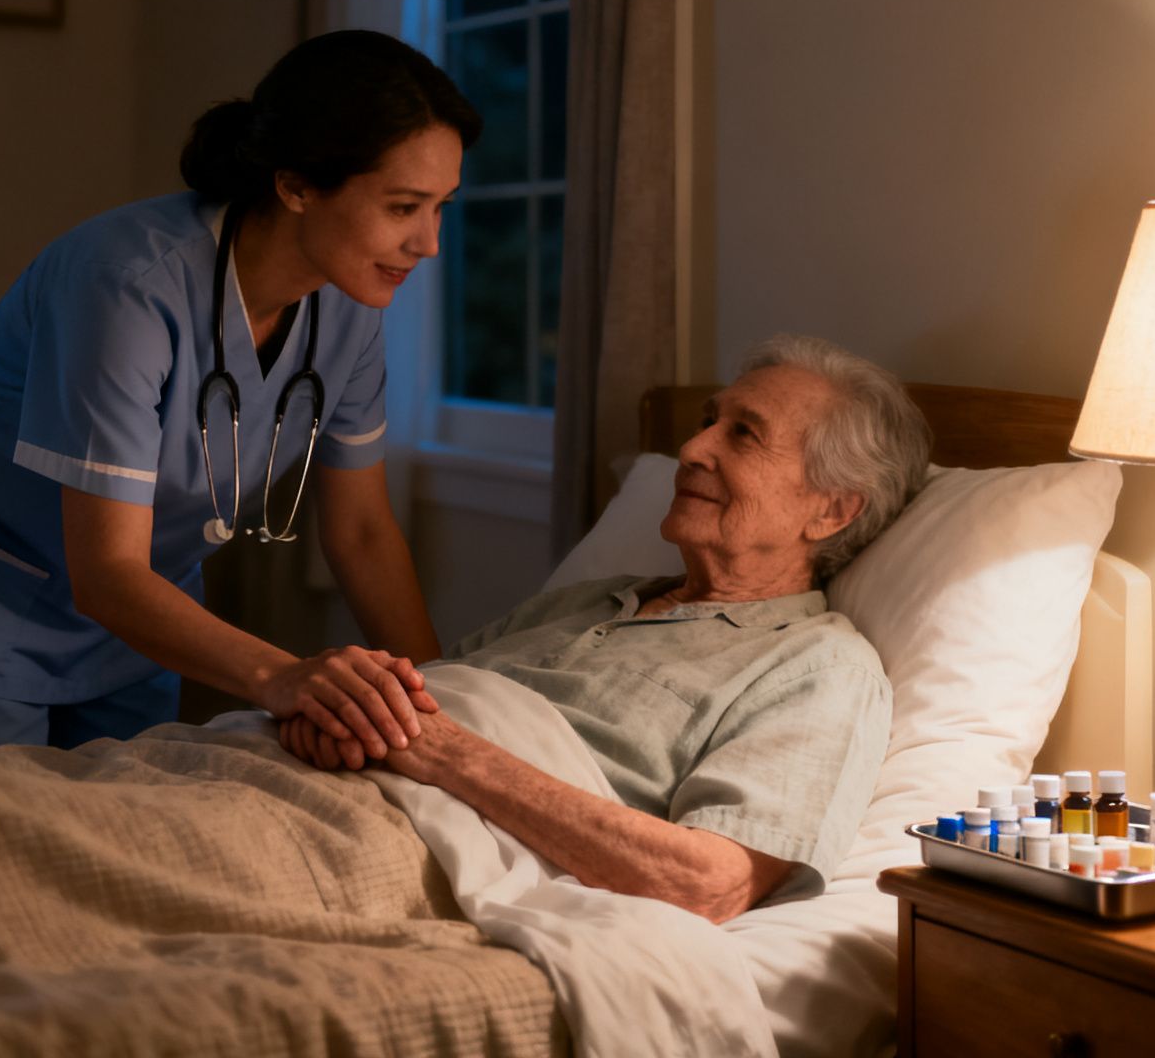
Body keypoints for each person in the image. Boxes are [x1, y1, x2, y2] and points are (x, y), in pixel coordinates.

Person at [0, 31, 480, 752]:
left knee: (115, 842)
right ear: (295, 185)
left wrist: (447, 707)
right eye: (403, 207)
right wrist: (285, 676)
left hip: (138, 615)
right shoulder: (124, 286)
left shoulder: (351, 304)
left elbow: (360, 532)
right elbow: (105, 572)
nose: (430, 243)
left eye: (442, 206)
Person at [281, 335, 935, 921]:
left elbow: (707, 884)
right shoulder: (581, 603)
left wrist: (437, 749)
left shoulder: (819, 667)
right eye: (710, 420)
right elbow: (418, 704)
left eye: (743, 435)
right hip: (287, 781)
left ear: (831, 510)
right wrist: (344, 715)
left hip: (390, 845)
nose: (691, 447)